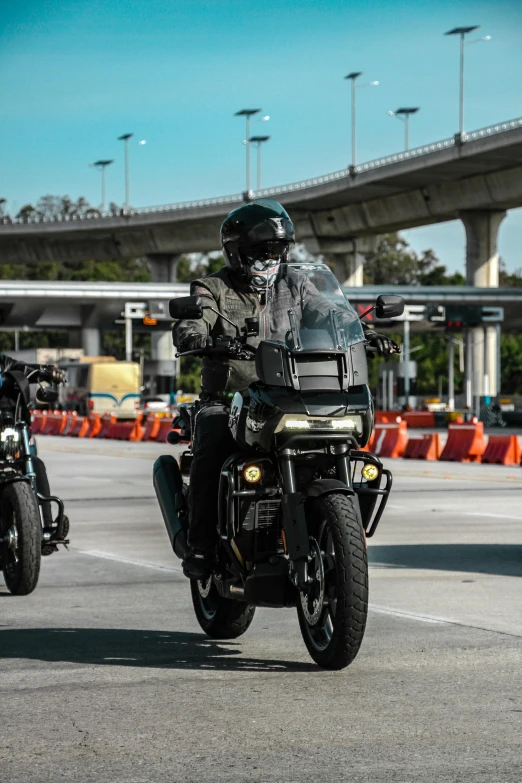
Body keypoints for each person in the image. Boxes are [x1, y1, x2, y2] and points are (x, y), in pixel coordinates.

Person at [172, 199, 398, 578]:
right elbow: (197, 318)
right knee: (211, 434)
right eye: (262, 251)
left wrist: (365, 332)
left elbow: (331, 312)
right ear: (237, 252)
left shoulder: (294, 283)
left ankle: (333, 535)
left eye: (277, 251)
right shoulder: (213, 287)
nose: (270, 259)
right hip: (232, 399)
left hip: (291, 392)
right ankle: (202, 547)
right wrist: (196, 335)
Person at [0, 354, 65, 533]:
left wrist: (48, 371)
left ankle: (48, 525)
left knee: (36, 463)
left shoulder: (4, 363)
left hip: (9, 427)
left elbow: (25, 368)